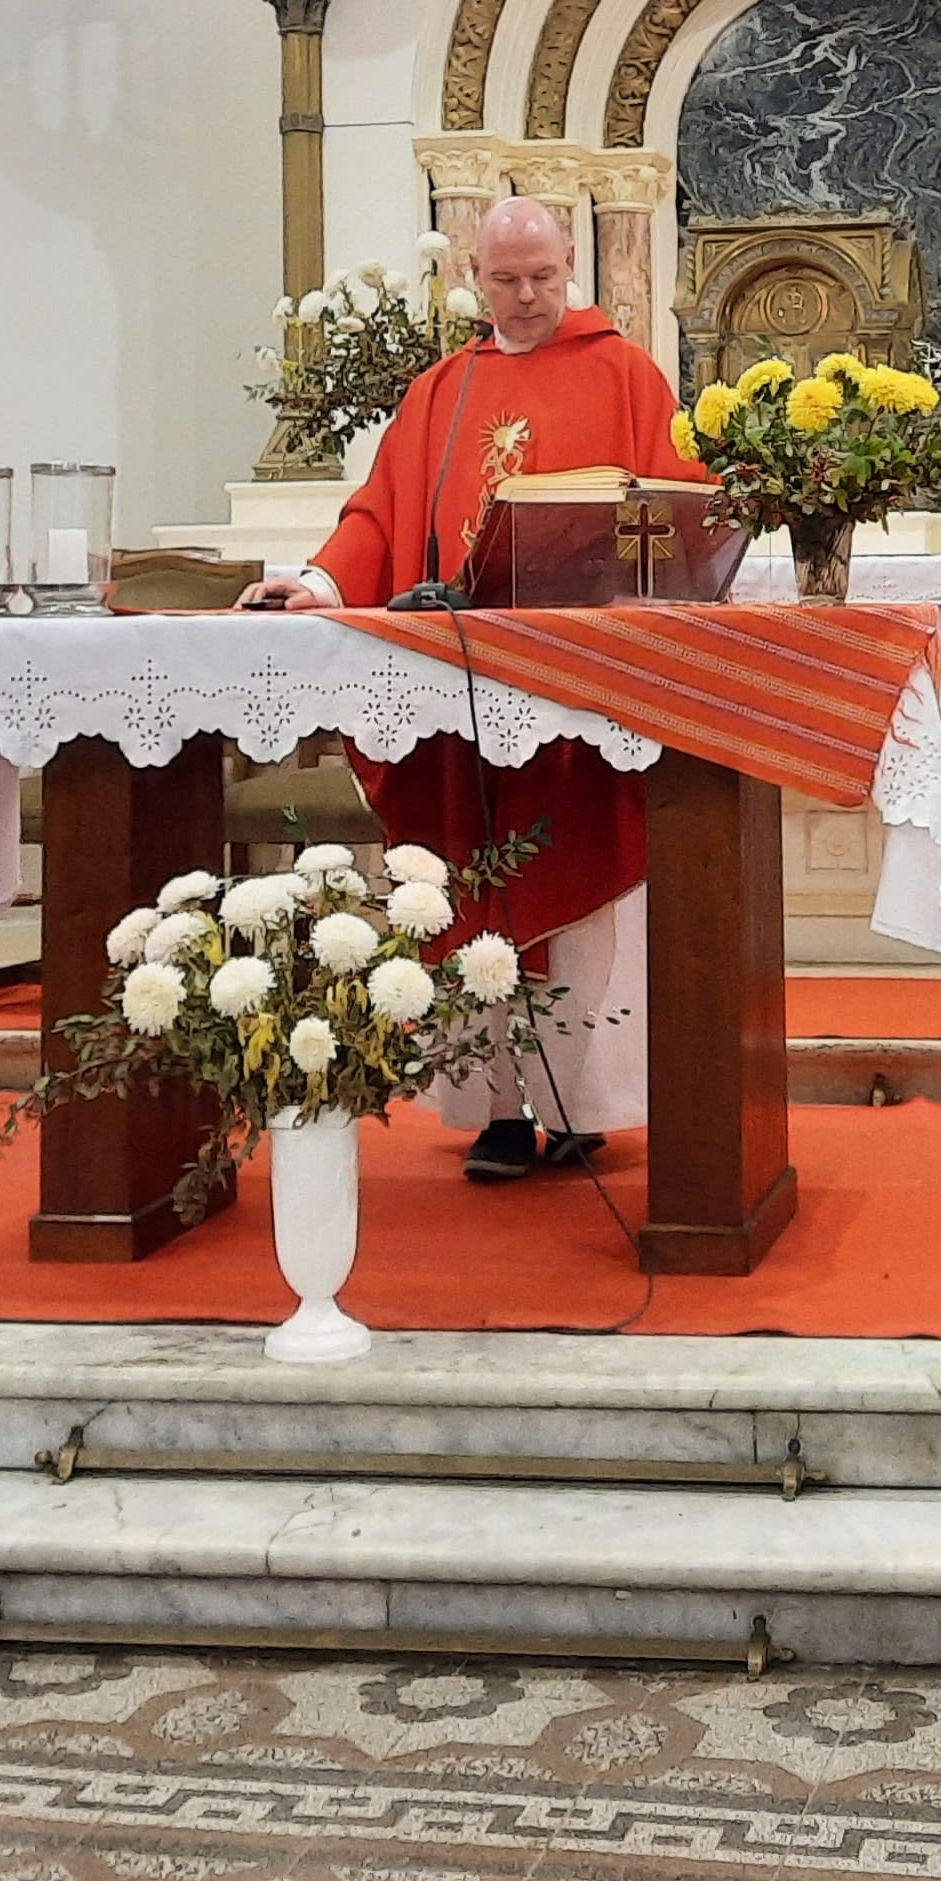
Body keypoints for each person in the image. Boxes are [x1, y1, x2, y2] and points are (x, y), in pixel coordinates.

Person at [243, 197, 695, 1181]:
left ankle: (579, 1105)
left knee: (577, 895)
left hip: (574, 691)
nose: (527, 297)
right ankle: (495, 1108)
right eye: (506, 279)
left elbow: (677, 509)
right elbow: (378, 512)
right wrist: (317, 583)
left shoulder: (625, 371)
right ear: (476, 278)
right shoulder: (444, 390)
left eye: (542, 276)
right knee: (467, 887)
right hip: (459, 689)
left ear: (571, 263)